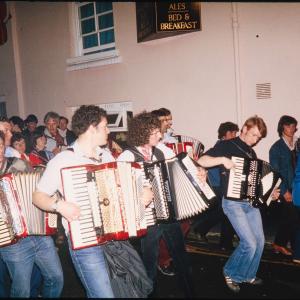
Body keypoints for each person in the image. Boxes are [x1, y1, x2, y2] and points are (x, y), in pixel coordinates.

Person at [32, 105, 153, 298]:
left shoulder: (106, 155)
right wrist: (59, 205)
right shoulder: (62, 160)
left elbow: (123, 187)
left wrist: (143, 192)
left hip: (113, 238)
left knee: (118, 292)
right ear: (91, 128)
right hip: (85, 240)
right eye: (105, 126)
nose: (109, 131)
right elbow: (38, 196)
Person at [117, 111, 204, 297]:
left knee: (181, 257)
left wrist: (198, 173)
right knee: (148, 264)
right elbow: (119, 186)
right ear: (143, 132)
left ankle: (191, 294)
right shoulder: (127, 156)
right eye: (156, 131)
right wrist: (139, 191)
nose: (161, 135)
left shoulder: (163, 151)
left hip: (168, 215)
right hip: (147, 219)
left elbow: (182, 169)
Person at [197, 115, 280, 294]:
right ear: (244, 129)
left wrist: (269, 193)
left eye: (259, 137)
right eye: (254, 135)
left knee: (259, 241)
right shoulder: (226, 145)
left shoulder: (251, 153)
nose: (255, 140)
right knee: (249, 243)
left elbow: (255, 185)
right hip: (232, 203)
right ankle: (230, 272)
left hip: (250, 204)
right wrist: (222, 160)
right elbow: (202, 160)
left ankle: (247, 274)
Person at [0, 131, 63, 298]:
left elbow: (40, 188)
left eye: (0, 146)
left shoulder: (19, 164)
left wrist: (52, 197)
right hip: (12, 242)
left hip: (39, 232)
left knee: (56, 279)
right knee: (22, 291)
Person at [192, 121, 239, 251]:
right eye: (234, 133)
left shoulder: (226, 147)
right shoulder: (221, 147)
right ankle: (223, 241)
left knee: (223, 212)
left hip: (222, 185)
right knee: (225, 212)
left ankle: (203, 231)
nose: (236, 135)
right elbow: (202, 161)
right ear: (227, 133)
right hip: (217, 185)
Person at [269, 115, 299, 256]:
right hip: (288, 188)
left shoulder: (297, 145)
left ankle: (288, 245)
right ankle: (279, 244)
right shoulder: (276, 148)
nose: (291, 128)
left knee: (293, 218)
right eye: (288, 126)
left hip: (298, 187)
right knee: (291, 217)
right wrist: (284, 191)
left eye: (293, 126)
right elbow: (276, 173)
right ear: (282, 128)